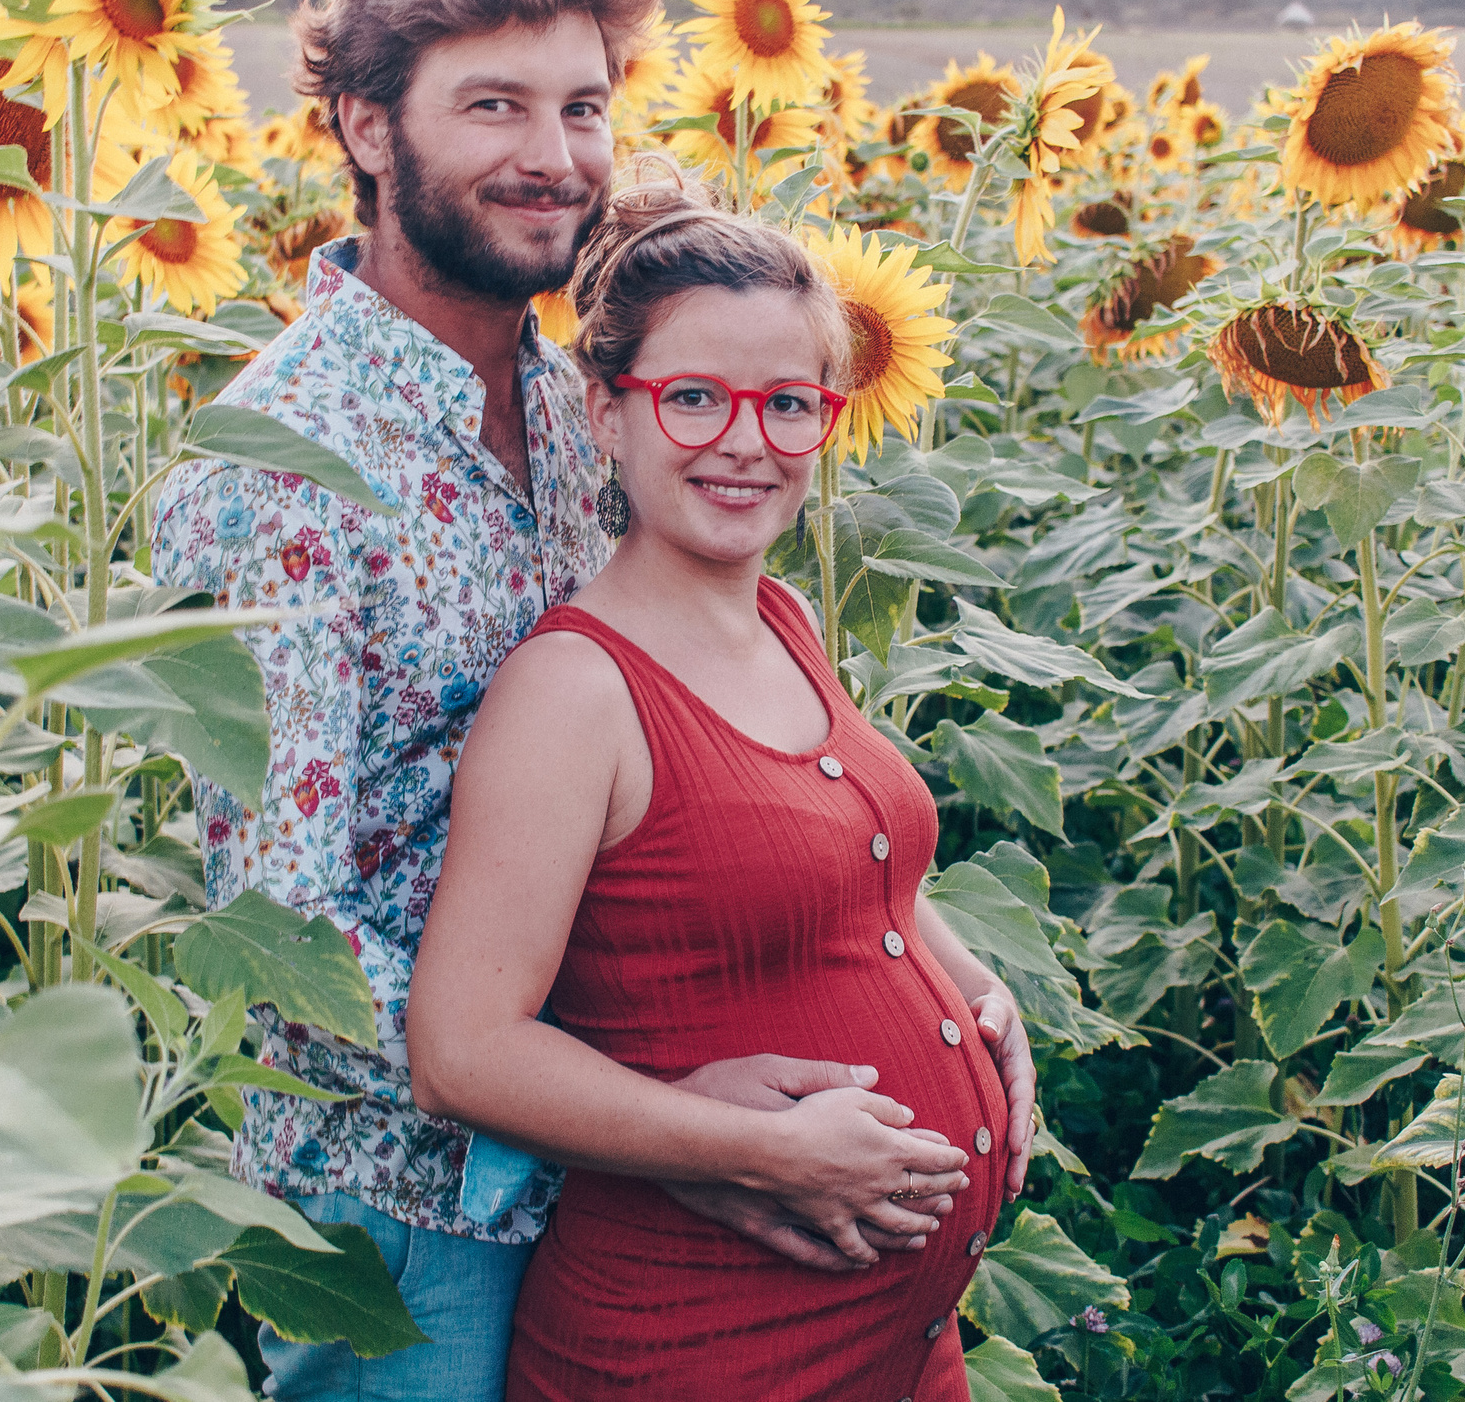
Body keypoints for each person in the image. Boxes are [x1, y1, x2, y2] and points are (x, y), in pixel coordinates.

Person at [152, 0, 971, 1401]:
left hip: (615, 1181)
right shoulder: (278, 466)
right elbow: (278, 938)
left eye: (582, 106)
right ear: (367, 128)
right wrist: (663, 1105)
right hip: (401, 1215)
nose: (555, 153)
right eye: (494, 105)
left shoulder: (574, 388)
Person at [408, 164, 1038, 1402]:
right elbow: (462, 1051)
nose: (746, 445)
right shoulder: (575, 692)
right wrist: (759, 1150)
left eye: (788, 404)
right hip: (701, 1348)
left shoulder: (787, 618)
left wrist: (976, 998)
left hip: (892, 1348)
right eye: (692, 398)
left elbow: (863, 869)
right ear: (606, 410)